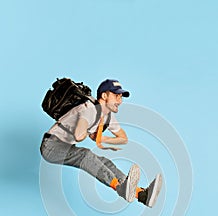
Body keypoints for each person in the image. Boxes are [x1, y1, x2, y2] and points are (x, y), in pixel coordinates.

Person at [40, 79, 162, 207]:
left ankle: (141, 195)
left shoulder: (108, 116)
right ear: (104, 96)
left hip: (65, 146)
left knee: (105, 162)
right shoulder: (88, 109)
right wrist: (86, 130)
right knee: (85, 155)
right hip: (51, 146)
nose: (119, 101)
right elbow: (78, 135)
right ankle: (119, 187)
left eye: (121, 97)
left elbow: (123, 138)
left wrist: (102, 139)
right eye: (116, 96)